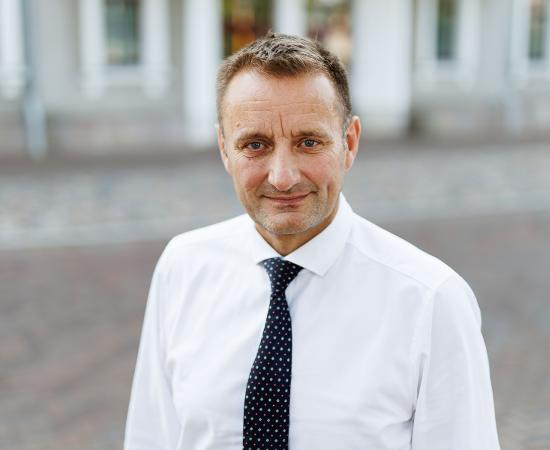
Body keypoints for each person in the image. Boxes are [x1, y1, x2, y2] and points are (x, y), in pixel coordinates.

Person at [124, 33, 500, 450]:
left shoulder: (431, 301)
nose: (282, 177)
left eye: (309, 142)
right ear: (225, 150)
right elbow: (151, 437)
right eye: (255, 145)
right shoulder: (182, 267)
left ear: (349, 143)